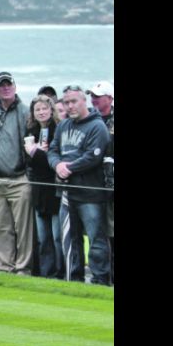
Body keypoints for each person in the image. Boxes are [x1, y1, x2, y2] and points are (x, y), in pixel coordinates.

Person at [49, 85, 111, 285]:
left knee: (96, 241)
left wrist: (69, 168)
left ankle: (100, 279)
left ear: (84, 101)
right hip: (67, 193)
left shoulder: (97, 126)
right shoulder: (63, 126)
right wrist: (57, 164)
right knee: (70, 239)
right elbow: (53, 150)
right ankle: (73, 279)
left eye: (74, 101)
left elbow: (93, 156)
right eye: (66, 102)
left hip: (91, 193)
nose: (70, 106)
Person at [0, 72, 33, 275]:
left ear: (14, 86)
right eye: (1, 85)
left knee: (23, 229)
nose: (6, 88)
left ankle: (23, 268)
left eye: (8, 84)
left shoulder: (24, 111)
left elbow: (29, 145)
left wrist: (27, 176)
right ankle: (5, 267)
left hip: (18, 179)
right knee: (0, 227)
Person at [24, 95, 62, 278]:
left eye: (44, 108)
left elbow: (52, 161)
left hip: (54, 190)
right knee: (43, 237)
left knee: (57, 236)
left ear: (51, 109)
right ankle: (47, 273)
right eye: (37, 109)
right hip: (38, 189)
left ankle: (61, 273)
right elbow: (29, 161)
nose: (41, 112)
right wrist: (35, 152)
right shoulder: (31, 131)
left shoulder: (58, 130)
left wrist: (35, 153)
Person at [87, 80, 114, 284]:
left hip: (111, 186)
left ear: (110, 98)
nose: (93, 99)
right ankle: (102, 276)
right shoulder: (89, 119)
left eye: (98, 96)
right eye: (92, 96)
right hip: (93, 186)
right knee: (97, 233)